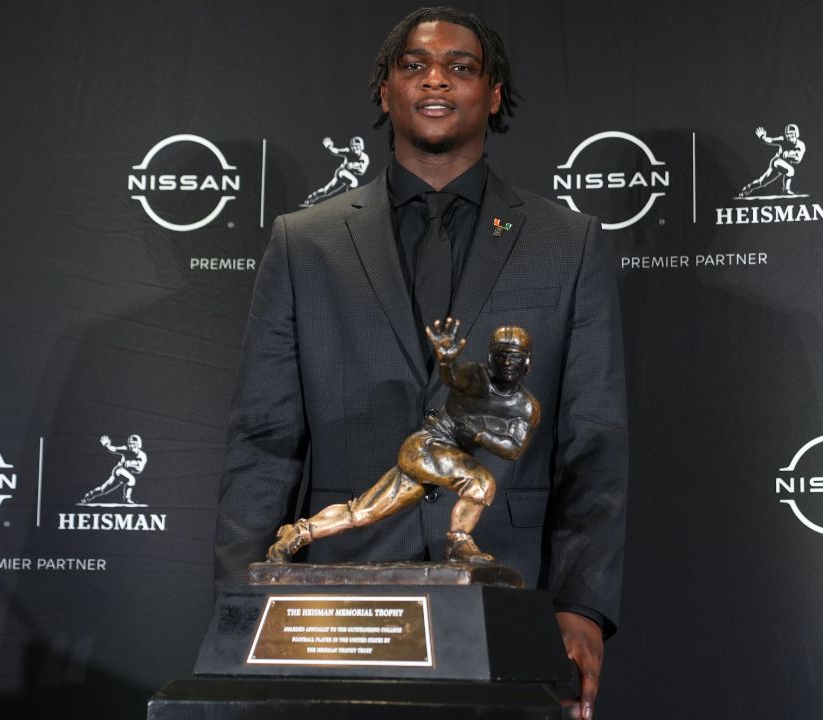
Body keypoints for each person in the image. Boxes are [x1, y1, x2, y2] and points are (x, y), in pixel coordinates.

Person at [214, 8, 626, 719]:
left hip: (509, 609)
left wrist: (582, 607)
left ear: (493, 94)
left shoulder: (569, 243)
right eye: (414, 65)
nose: (436, 79)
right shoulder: (304, 244)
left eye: (461, 67)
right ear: (386, 89)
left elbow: (593, 447)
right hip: (339, 616)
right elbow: (264, 444)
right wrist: (236, 610)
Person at [266, 320, 539, 564]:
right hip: (426, 447)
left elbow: (514, 449)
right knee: (481, 483)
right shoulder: (475, 376)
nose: (507, 362)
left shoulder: (525, 407)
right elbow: (454, 377)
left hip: (442, 459)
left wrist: (478, 433)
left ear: (527, 362)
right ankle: (458, 542)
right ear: (490, 358)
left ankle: (297, 534)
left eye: (514, 356)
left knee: (363, 513)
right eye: (500, 355)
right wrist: (446, 362)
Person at [299, 136, 371, 207]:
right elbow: (337, 151)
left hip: (349, 177)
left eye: (357, 146)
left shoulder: (364, 158)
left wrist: (354, 166)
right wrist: (330, 147)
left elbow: (362, 171)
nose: (355, 148)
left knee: (327, 191)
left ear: (361, 146)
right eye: (353, 146)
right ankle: (350, 201)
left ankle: (311, 197)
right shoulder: (348, 151)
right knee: (353, 182)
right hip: (341, 172)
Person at [737, 124, 805, 198]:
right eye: (787, 134)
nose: (789, 136)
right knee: (791, 170)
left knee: (762, 182)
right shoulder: (783, 140)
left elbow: (798, 160)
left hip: (784, 165)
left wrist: (789, 154)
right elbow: (771, 140)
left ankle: (748, 188)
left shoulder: (800, 145)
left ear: (796, 134)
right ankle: (786, 189)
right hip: (777, 162)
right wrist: (763, 137)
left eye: (791, 133)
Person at [81, 434, 147, 505]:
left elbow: (139, 470)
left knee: (103, 489)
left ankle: (89, 495)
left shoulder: (142, 456)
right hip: (119, 470)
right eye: (130, 444)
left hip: (126, 474)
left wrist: (131, 465)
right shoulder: (126, 449)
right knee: (132, 480)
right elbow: (115, 449)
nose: (132, 446)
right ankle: (127, 498)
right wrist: (107, 445)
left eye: (134, 444)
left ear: (139, 444)